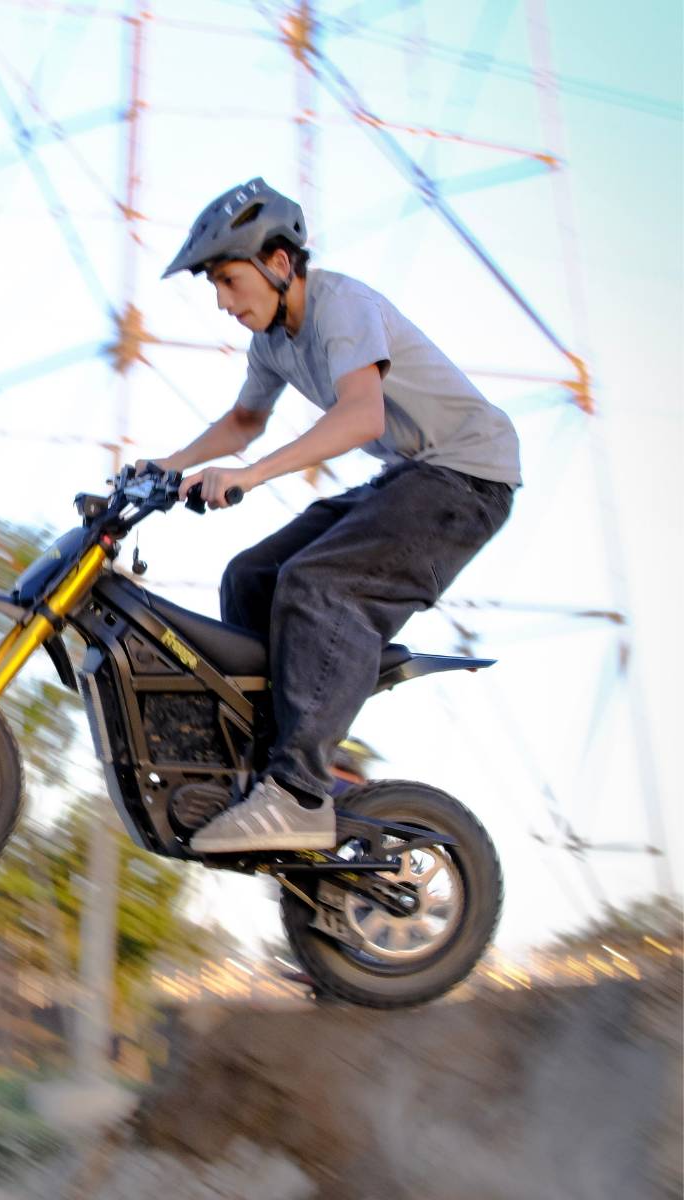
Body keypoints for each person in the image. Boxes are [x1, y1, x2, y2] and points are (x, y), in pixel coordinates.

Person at [140, 177, 520, 854]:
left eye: (230, 282)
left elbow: (361, 413)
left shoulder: (341, 307)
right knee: (252, 576)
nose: (224, 303)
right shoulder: (272, 343)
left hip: (467, 478)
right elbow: (241, 422)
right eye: (216, 289)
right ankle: (259, 765)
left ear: (279, 264)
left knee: (319, 584)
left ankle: (299, 790)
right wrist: (164, 469)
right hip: (411, 475)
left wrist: (251, 478)